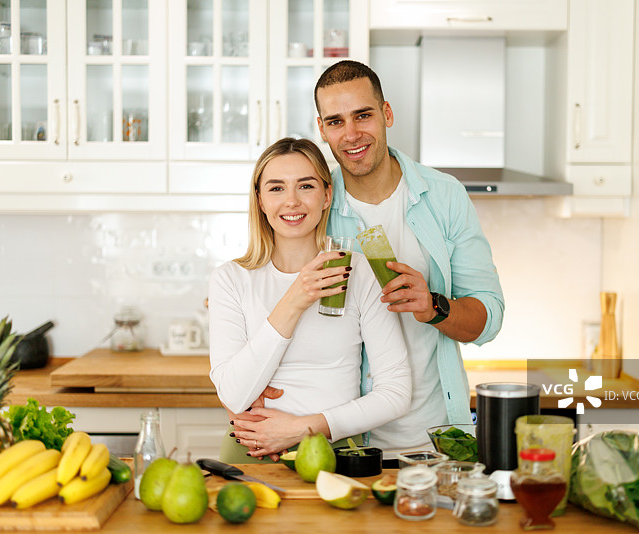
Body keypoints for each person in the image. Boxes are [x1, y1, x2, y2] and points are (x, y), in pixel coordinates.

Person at [313, 60, 505, 453]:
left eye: (363, 115)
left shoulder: (445, 196)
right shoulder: (314, 203)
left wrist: (434, 305)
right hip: (344, 444)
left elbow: (489, 318)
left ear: (387, 113)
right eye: (335, 122)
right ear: (322, 129)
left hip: (437, 441)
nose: (351, 135)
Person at [208, 137, 412, 463]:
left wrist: (304, 429)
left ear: (326, 195)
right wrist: (295, 298)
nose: (291, 201)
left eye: (305, 186)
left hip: (336, 453)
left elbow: (396, 393)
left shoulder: (359, 272)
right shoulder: (231, 279)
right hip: (251, 453)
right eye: (276, 188)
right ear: (259, 200)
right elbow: (233, 393)